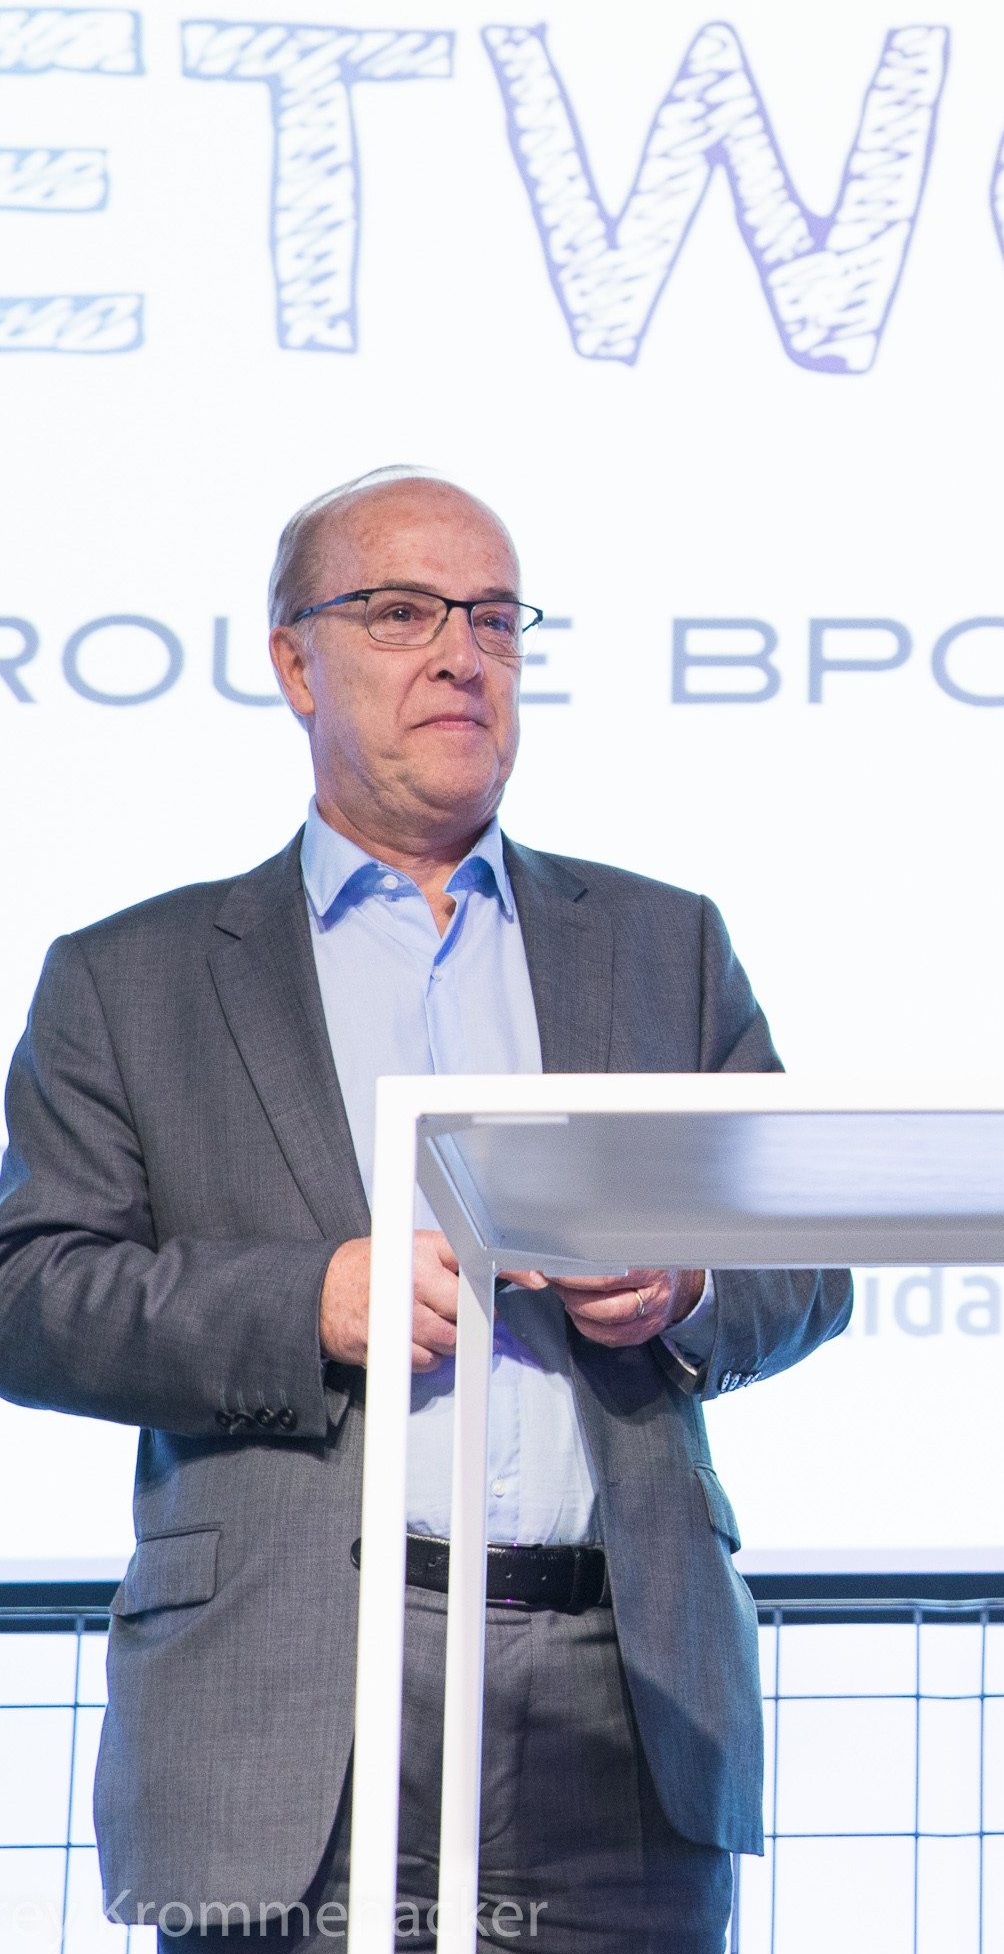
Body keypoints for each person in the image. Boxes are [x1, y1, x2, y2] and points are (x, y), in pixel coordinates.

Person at [0, 467, 851, 1950]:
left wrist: (688, 1284)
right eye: (403, 613)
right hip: (292, 1698)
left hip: (623, 1693)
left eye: (497, 619)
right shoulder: (130, 977)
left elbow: (809, 1258)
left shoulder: (665, 946)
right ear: (294, 663)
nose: (463, 655)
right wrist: (307, 1304)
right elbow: (29, 1298)